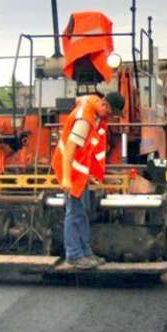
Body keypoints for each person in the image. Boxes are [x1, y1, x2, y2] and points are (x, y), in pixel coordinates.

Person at [52, 92, 126, 270]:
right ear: (105, 106)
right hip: (71, 170)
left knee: (81, 212)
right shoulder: (85, 120)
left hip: (79, 170)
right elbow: (70, 148)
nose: (110, 118)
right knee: (74, 212)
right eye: (111, 114)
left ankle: (85, 252)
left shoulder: (93, 110)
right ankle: (74, 255)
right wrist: (66, 178)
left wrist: (91, 172)